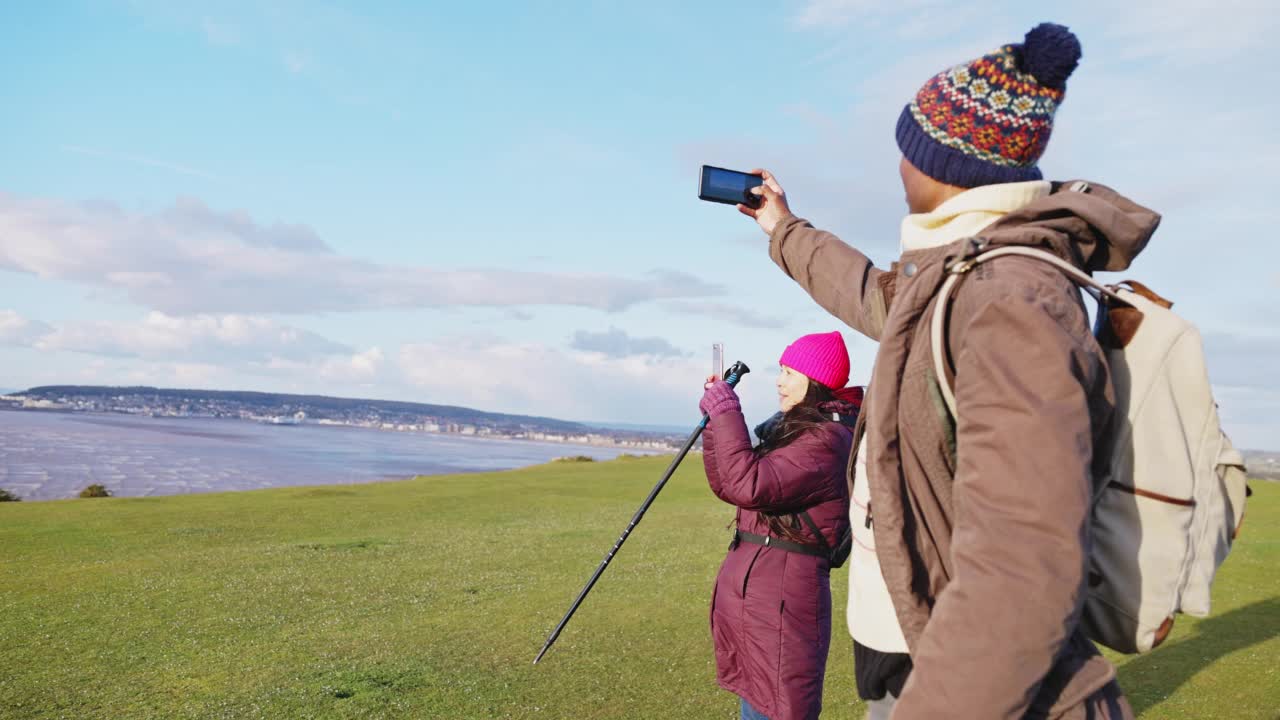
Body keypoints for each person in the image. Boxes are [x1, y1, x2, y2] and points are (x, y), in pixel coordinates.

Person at [737, 23, 1160, 720]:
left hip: (963, 676)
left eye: (909, 151)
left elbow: (1026, 561)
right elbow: (873, 294)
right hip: (920, 644)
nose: (900, 168)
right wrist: (784, 229)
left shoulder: (1012, 304)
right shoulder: (965, 278)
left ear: (944, 167)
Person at [699, 331, 862, 720]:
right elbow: (728, 484)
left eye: (790, 372)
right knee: (757, 701)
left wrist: (726, 411)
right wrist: (712, 425)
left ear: (814, 380)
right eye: (781, 370)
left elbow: (748, 483)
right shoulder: (795, 430)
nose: (779, 380)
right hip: (760, 601)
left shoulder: (826, 440)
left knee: (777, 707)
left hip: (781, 604)